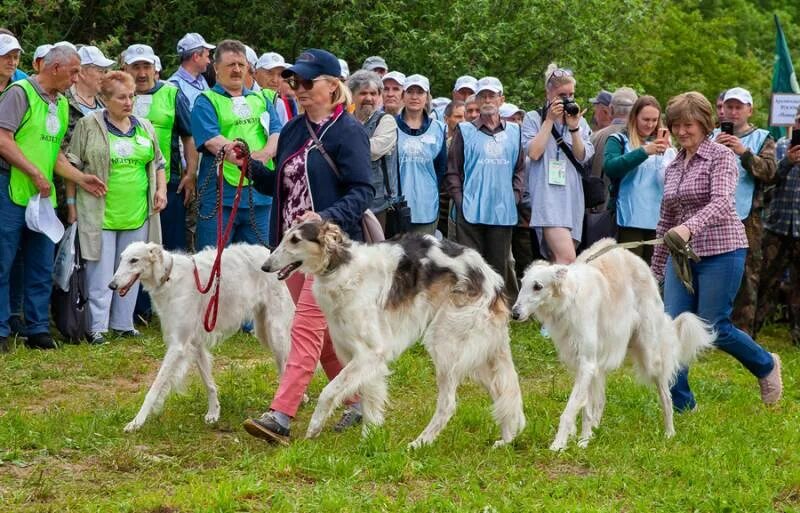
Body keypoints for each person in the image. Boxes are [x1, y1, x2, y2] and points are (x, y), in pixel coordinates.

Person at [240, 49, 374, 444]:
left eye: (307, 82)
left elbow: (363, 191)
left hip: (329, 254)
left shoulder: (348, 132)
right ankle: (357, 402)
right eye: (294, 82)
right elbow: (277, 184)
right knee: (326, 336)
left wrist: (325, 218)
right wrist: (248, 165)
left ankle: (280, 415)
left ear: (333, 86)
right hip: (293, 250)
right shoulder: (295, 129)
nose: (298, 89)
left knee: (306, 329)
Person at [651, 91, 782, 412]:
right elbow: (666, 218)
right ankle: (682, 405)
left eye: (689, 124)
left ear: (705, 123)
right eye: (676, 125)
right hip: (681, 257)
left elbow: (723, 201)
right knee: (673, 327)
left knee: (712, 327)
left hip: (723, 250)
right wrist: (654, 271)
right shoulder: (673, 166)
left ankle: (765, 364)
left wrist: (688, 228)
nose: (682, 131)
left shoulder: (721, 156)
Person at [0, 45, 106, 351]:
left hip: (41, 196)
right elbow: (3, 139)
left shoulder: (59, 103)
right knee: (4, 262)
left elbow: (55, 153)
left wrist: (79, 177)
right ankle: (3, 329)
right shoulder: (20, 93)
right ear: (55, 68)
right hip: (9, 188)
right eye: (73, 71)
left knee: (41, 263)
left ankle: (37, 329)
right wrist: (33, 172)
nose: (76, 78)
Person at [68, 71, 166, 344]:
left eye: (131, 96)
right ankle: (96, 327)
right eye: (121, 97)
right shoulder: (89, 125)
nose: (128, 102)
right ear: (105, 99)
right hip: (100, 213)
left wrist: (161, 190)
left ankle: (123, 324)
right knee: (100, 273)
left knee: (133, 270)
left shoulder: (145, 126)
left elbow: (159, 163)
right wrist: (71, 205)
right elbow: (72, 164)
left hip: (137, 213)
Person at [191, 40, 281, 250]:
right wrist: (244, 159)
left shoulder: (261, 98)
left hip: (259, 198)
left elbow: (276, 131)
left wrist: (265, 154)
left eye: (241, 64)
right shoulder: (205, 101)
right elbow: (212, 140)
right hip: (220, 199)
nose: (237, 69)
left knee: (260, 264)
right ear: (216, 69)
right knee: (212, 263)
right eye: (230, 65)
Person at [446, 76, 525, 296]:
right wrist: (461, 202)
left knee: (498, 268)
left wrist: (515, 197)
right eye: (483, 96)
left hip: (502, 211)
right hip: (470, 212)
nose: (487, 99)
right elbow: (453, 171)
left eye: (492, 95)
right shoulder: (465, 130)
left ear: (501, 99)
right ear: (477, 100)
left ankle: (496, 313)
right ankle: (472, 314)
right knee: (471, 267)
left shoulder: (515, 131)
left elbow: (519, 169)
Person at [712, 87, 776, 336]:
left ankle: (742, 332)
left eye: (739, 107)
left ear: (750, 110)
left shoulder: (762, 137)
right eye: (729, 106)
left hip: (747, 217)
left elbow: (771, 173)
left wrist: (743, 152)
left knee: (747, 274)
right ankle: (712, 328)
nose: (734, 112)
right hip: (714, 214)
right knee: (714, 270)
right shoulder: (710, 136)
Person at [124, 44, 197, 252]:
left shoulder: (171, 94)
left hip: (169, 183)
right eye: (135, 67)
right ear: (125, 69)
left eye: (146, 66)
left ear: (155, 68)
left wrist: (191, 173)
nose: (141, 73)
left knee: (170, 248)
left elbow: (188, 136)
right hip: (129, 186)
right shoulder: (119, 95)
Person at [522, 64, 594, 264]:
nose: (568, 99)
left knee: (558, 262)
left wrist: (574, 129)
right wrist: (549, 121)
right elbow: (534, 153)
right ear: (549, 93)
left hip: (572, 197)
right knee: (568, 259)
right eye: (562, 94)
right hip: (547, 198)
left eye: (571, 94)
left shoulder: (580, 121)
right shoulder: (533, 118)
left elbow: (582, 156)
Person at [602, 95, 675, 264]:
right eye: (646, 119)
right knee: (629, 270)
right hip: (628, 218)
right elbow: (610, 167)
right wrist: (643, 152)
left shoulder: (666, 144)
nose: (650, 124)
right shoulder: (618, 139)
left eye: (654, 120)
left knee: (654, 272)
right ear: (634, 117)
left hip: (658, 219)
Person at [755, 107, 800, 346]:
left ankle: (797, 334)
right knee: (765, 281)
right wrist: (788, 162)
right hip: (777, 225)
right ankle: (753, 329)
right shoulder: (781, 145)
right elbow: (767, 180)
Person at [395, 74, 447, 235]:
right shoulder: (389, 125)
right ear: (403, 96)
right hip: (395, 205)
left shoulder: (438, 128)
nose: (415, 97)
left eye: (420, 92)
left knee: (424, 257)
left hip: (426, 205)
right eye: (410, 92)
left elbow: (441, 169)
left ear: (427, 97)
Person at [348, 69, 398, 228]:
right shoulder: (344, 119)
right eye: (363, 93)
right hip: (347, 201)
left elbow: (374, 151)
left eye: (373, 93)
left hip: (377, 203)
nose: (369, 98)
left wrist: (344, 147)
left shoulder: (386, 120)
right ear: (352, 95)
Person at [589, 87, 637, 180]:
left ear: (610, 109)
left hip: (599, 193)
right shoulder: (642, 139)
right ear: (636, 111)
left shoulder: (594, 137)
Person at [168, 33, 215, 109]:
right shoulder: (174, 87)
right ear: (196, 57)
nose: (209, 61)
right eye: (207, 56)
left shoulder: (201, 79)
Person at [255, 52, 292, 125]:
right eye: (270, 73)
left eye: (280, 74)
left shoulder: (279, 103)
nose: (275, 80)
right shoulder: (244, 98)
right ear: (255, 73)